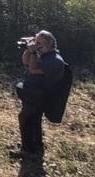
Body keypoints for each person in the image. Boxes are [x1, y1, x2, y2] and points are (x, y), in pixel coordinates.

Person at [12, 30, 68, 162]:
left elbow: (33, 70)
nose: (35, 45)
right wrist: (28, 50)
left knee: (25, 118)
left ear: (48, 44)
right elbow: (25, 62)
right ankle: (35, 148)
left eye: (38, 43)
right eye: (35, 41)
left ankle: (27, 149)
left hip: (40, 96)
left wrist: (33, 52)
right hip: (32, 93)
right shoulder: (42, 54)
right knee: (34, 121)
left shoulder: (54, 60)